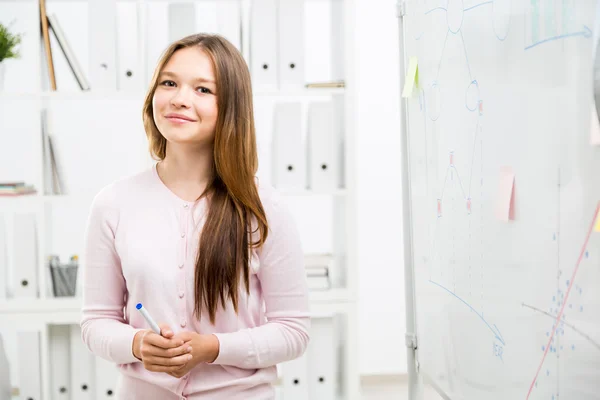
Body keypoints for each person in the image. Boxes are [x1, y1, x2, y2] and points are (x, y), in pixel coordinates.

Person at [80, 33, 310, 399]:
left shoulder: (263, 207)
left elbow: (293, 331)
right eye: (169, 83)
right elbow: (95, 323)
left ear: (231, 106)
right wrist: (138, 343)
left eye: (203, 90)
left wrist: (214, 348)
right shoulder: (113, 203)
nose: (180, 99)